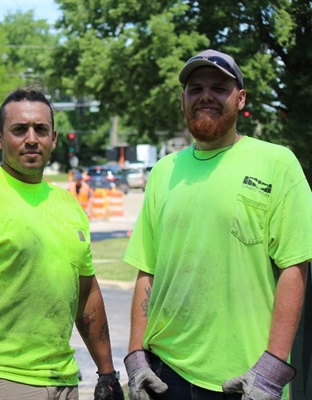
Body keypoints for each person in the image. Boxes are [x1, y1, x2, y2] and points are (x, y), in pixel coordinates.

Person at [122, 49, 311, 400]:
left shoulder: (277, 163)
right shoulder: (164, 171)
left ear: (240, 99)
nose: (205, 96)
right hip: (164, 375)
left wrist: (271, 370)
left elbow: (295, 267)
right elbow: (146, 270)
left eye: (219, 87)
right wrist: (136, 356)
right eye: (195, 88)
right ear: (183, 100)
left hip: (247, 379)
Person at [0, 85, 124, 400]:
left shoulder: (68, 205)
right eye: (19, 129)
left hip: (63, 379)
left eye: (41, 129)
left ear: (53, 138)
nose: (31, 138)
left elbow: (86, 292)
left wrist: (107, 373)